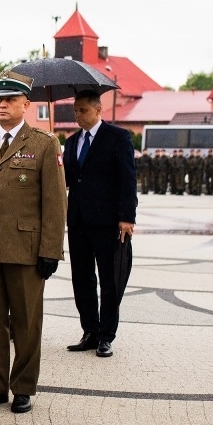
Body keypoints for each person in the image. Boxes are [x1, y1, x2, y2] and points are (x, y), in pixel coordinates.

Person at [0, 70, 67, 414]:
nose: (2, 104)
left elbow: (54, 203)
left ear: (26, 104)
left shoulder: (43, 143)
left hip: (25, 249)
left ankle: (23, 387)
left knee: (25, 320)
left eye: (9, 99)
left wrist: (50, 250)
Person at [63, 90, 137, 358]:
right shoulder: (71, 142)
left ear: (98, 109)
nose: (77, 115)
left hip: (107, 221)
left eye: (82, 110)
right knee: (81, 278)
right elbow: (69, 180)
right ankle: (90, 331)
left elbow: (127, 178)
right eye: (75, 110)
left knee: (109, 279)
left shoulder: (117, 137)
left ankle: (106, 335)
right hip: (79, 220)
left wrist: (127, 216)